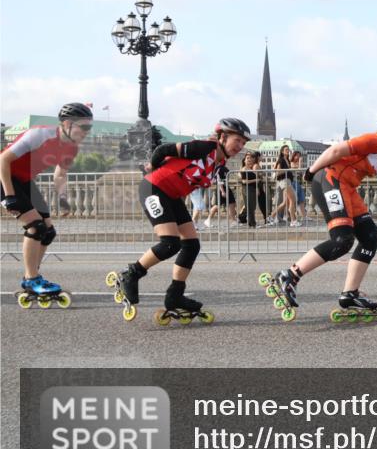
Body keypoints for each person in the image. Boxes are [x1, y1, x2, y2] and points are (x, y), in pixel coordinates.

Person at [264, 110, 377, 318]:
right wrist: (311, 171)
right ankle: (290, 275)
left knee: (370, 237)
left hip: (347, 188)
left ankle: (350, 293)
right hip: (331, 180)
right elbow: (336, 150)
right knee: (342, 240)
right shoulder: (375, 140)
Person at [112, 118, 250, 322]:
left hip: (172, 196)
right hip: (154, 188)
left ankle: (175, 295)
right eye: (237, 140)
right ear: (222, 136)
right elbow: (162, 150)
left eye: (243, 143)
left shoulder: (219, 161)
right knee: (170, 243)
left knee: (192, 245)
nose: (240, 146)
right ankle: (131, 274)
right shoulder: (204, 147)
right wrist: (153, 168)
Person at [0, 103, 93, 306]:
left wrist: (63, 199)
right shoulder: (39, 135)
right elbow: (3, 159)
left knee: (48, 232)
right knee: (36, 227)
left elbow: (59, 174)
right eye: (84, 127)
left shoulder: (72, 148)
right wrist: (9, 196)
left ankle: (31, 277)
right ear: (67, 124)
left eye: (90, 128)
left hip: (24, 181)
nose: (87, 132)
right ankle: (32, 279)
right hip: (5, 177)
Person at [267, 144, 297, 226]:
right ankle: (293, 221)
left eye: (288, 149)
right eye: (286, 149)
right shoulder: (281, 160)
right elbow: (278, 172)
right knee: (292, 199)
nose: (288, 150)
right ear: (282, 151)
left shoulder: (287, 160)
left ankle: (271, 216)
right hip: (284, 181)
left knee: (285, 202)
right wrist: (288, 170)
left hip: (287, 181)